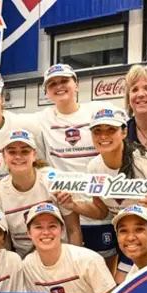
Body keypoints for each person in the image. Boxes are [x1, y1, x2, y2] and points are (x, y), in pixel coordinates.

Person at [71, 106, 147, 282]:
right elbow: (102, 211)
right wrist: (73, 205)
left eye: (111, 130)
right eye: (97, 131)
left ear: (124, 132)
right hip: (135, 241)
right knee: (121, 288)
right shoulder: (94, 167)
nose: (103, 136)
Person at [34, 64, 118, 263]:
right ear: (46, 92)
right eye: (52, 83)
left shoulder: (97, 112)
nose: (59, 86)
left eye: (64, 81)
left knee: (106, 275)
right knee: (72, 273)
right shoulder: (41, 119)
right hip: (67, 213)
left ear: (76, 85)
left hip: (101, 211)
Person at [0, 129, 81, 258]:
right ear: (4, 157)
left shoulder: (53, 180)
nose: (18, 156)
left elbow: (73, 228)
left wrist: (76, 261)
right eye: (12, 152)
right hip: (26, 263)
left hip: (62, 257)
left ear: (34, 155)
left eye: (25, 151)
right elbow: (5, 241)